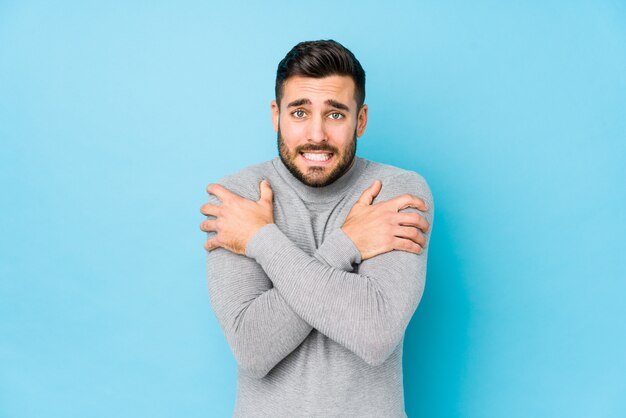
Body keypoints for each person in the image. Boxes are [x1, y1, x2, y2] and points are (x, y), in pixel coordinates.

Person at [199, 39, 434, 418]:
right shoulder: (239, 197)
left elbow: (375, 335)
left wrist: (259, 238)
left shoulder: (396, 193)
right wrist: (349, 244)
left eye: (336, 114)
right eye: (299, 113)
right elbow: (253, 349)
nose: (317, 135)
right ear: (276, 115)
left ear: (361, 120)